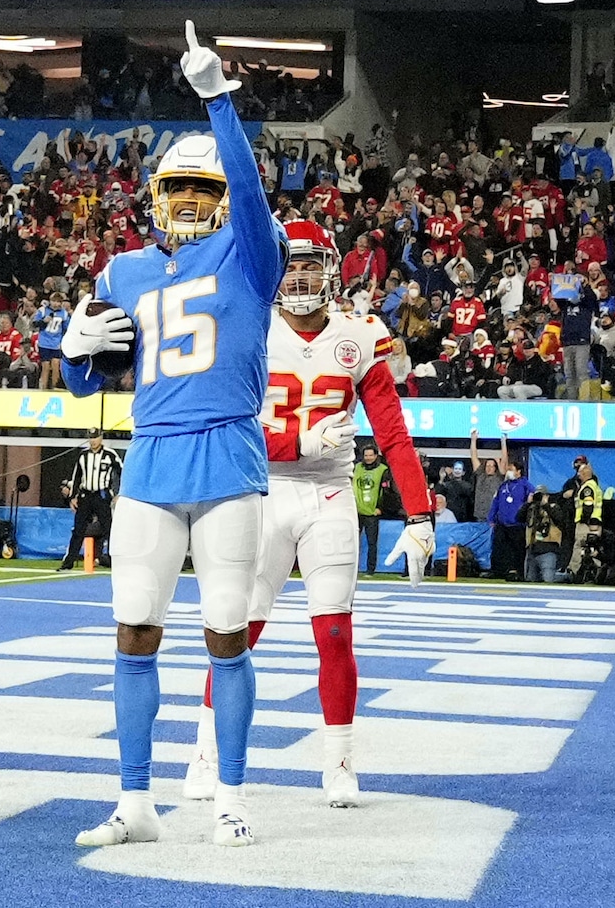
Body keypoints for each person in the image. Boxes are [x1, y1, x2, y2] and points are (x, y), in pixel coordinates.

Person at [61, 23, 287, 849]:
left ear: (224, 194)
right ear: (155, 193)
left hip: (226, 451)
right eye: (178, 186)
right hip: (152, 455)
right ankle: (134, 802)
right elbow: (91, 378)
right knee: (134, 631)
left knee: (225, 631)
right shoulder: (121, 269)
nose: (192, 199)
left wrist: (218, 98)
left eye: (205, 186)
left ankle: (228, 795)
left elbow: (257, 199)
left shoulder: (252, 253)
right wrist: (70, 354)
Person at [183, 219, 432, 809]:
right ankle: (205, 753)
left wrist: (419, 515)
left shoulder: (359, 334)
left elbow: (393, 432)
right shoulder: (248, 325)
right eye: (290, 264)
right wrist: (296, 446)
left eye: (310, 265)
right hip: (261, 489)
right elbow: (228, 422)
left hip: (329, 495)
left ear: (331, 269)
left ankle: (339, 761)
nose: (299, 275)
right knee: (236, 632)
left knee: (336, 632)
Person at [59, 428, 123, 571]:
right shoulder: (83, 456)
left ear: (101, 438)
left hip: (102, 495)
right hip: (86, 495)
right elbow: (76, 477)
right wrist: (72, 497)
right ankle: (68, 562)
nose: (93, 441)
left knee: (109, 528)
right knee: (78, 529)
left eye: (95, 437)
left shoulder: (110, 455)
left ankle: (114, 560)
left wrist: (120, 493)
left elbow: (123, 472)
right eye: (91, 438)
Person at [487, 460, 535, 581]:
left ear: (518, 471)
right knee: (498, 548)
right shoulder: (503, 485)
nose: (509, 472)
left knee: (517, 550)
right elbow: (495, 502)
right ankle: (497, 570)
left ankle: (517, 571)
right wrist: (491, 517)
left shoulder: (525, 485)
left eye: (511, 469)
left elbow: (533, 496)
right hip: (502, 523)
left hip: (517, 524)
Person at [353, 445, 388, 576]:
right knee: (353, 542)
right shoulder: (357, 467)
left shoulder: (383, 470)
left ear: (376, 456)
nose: (368, 458)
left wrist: (380, 507)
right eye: (366, 455)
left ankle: (370, 570)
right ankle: (352, 569)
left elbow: (386, 491)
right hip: (356, 511)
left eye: (370, 455)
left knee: (372, 543)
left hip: (372, 512)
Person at [566, 458, 603, 580]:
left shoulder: (587, 488)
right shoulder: (594, 486)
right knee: (592, 549)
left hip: (587, 524)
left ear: (585, 474)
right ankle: (596, 574)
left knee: (580, 547)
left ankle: (573, 572)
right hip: (594, 522)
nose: (578, 475)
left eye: (580, 473)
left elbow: (588, 506)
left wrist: (585, 520)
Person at [523, 486, 565, 583]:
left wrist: (546, 505)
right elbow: (518, 517)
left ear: (546, 496)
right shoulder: (532, 509)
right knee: (530, 580)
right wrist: (528, 503)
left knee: (549, 580)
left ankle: (566, 576)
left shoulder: (554, 507)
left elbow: (559, 520)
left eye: (541, 495)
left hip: (548, 549)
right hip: (532, 550)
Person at [469, 429, 507, 522]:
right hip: (480, 515)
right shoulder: (480, 475)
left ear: (495, 468)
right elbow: (473, 456)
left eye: (492, 466)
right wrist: (473, 440)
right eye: (487, 465)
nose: (489, 468)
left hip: (495, 516)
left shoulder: (499, 477)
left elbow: (505, 459)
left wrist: (503, 442)